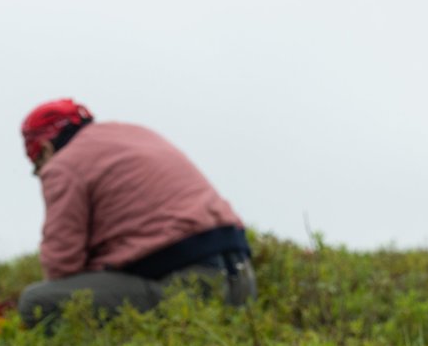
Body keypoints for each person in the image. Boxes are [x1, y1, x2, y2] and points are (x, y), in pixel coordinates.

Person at [17, 99, 256, 329]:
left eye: (37, 166)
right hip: (243, 281)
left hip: (187, 287)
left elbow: (62, 266)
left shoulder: (64, 165)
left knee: (35, 301)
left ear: (46, 149)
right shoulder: (134, 134)